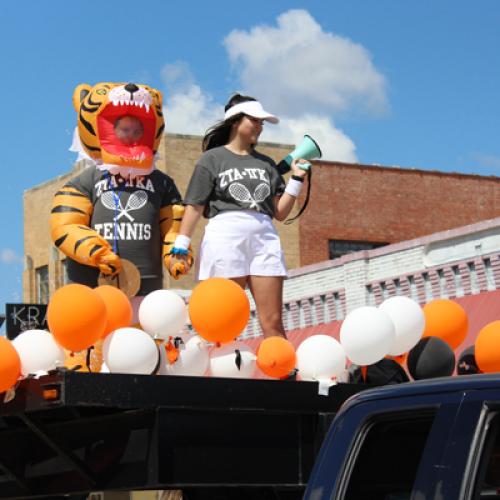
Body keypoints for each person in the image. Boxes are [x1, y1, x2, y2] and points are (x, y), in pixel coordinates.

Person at [169, 94, 308, 339]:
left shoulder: (266, 164)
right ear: (235, 121)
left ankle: (284, 373)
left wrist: (296, 179)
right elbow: (195, 206)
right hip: (225, 235)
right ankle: (222, 372)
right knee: (223, 317)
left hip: (264, 236)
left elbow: (280, 211)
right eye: (254, 120)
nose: (260, 126)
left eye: (262, 122)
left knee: (273, 321)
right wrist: (181, 243)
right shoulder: (211, 159)